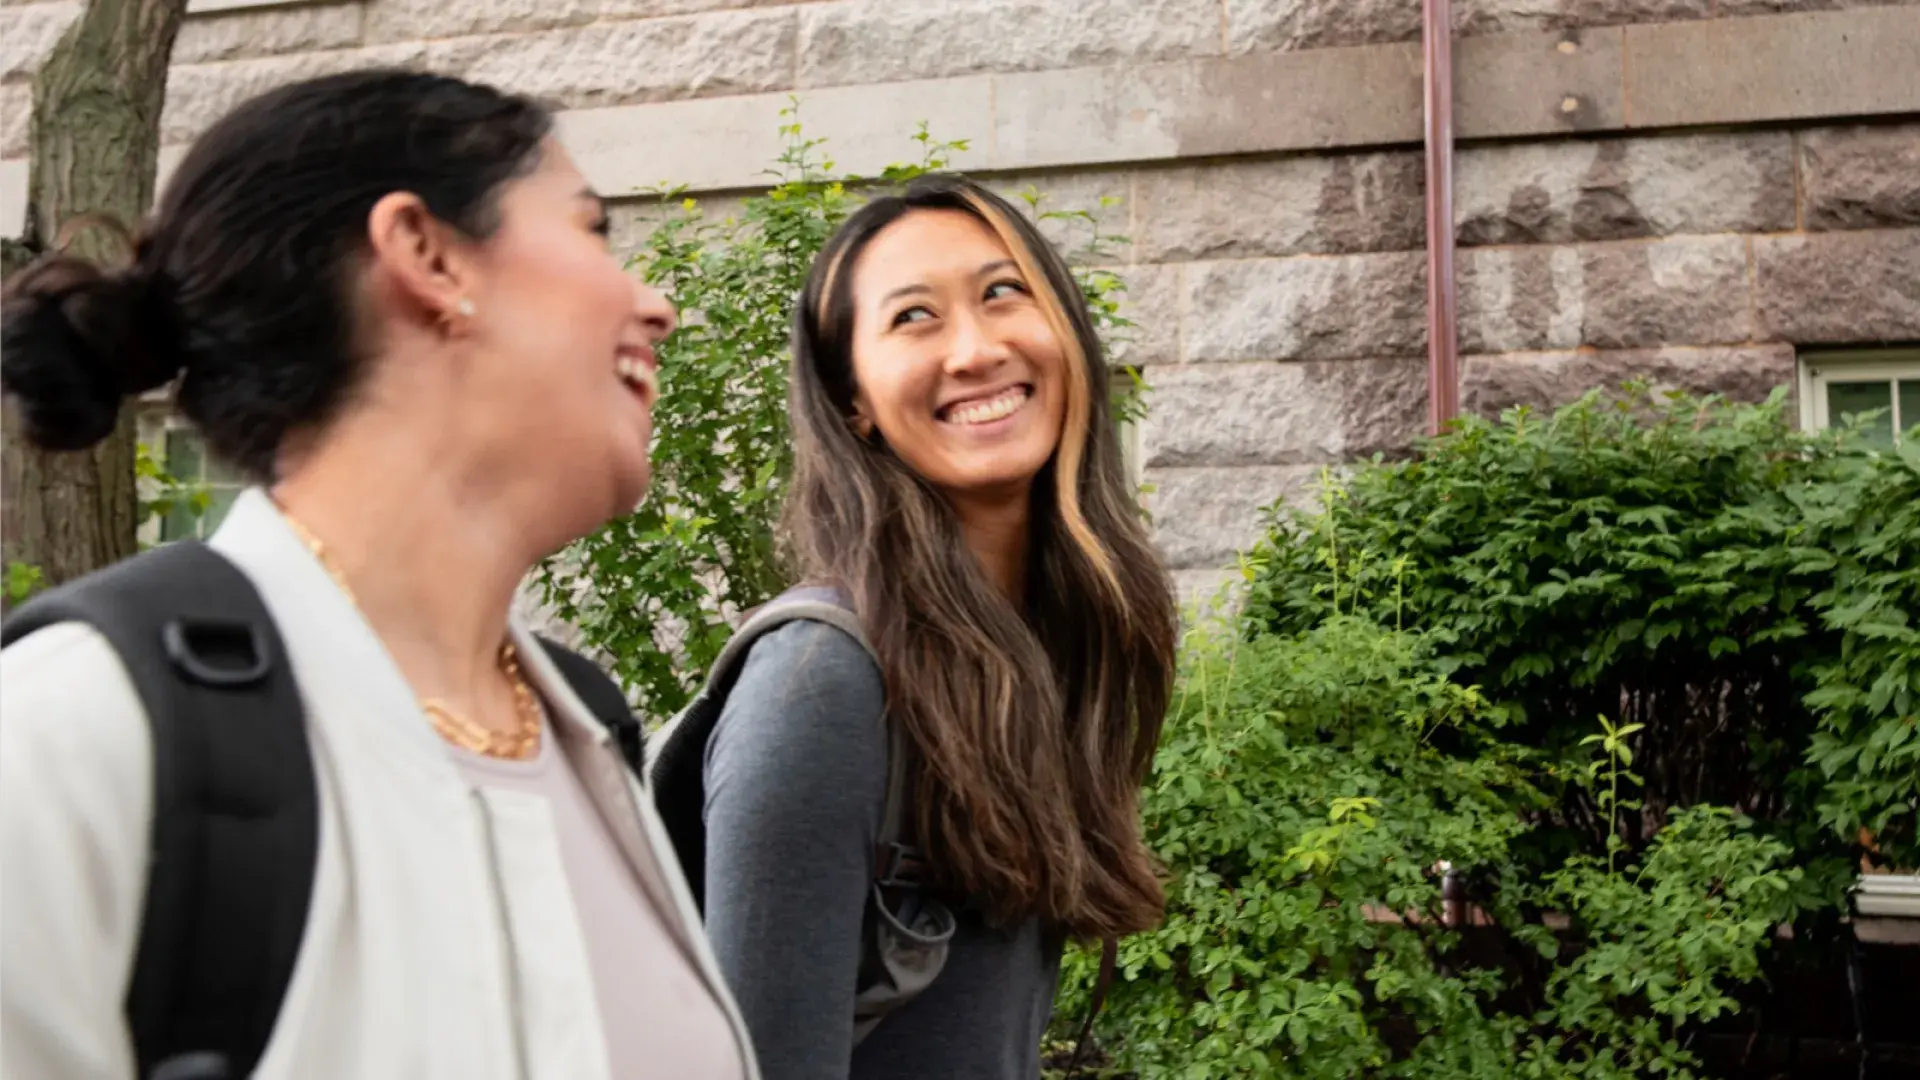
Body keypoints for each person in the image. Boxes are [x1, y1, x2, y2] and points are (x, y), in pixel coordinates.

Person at [0, 70, 757, 1080]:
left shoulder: (587, 735)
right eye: (591, 230)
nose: (655, 305)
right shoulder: (72, 731)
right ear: (426, 253)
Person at [680, 175, 1179, 1078]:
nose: (976, 348)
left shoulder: (1040, 652)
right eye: (914, 318)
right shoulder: (822, 686)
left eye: (1002, 292)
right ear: (853, 403)